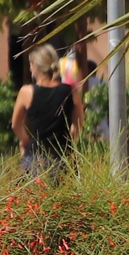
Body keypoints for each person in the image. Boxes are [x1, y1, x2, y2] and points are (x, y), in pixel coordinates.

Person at [12, 45, 81, 174]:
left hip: (34, 158)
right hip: (63, 158)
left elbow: (16, 125)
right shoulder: (71, 91)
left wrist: (25, 141)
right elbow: (77, 125)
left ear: (34, 64)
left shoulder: (26, 92)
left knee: (34, 194)